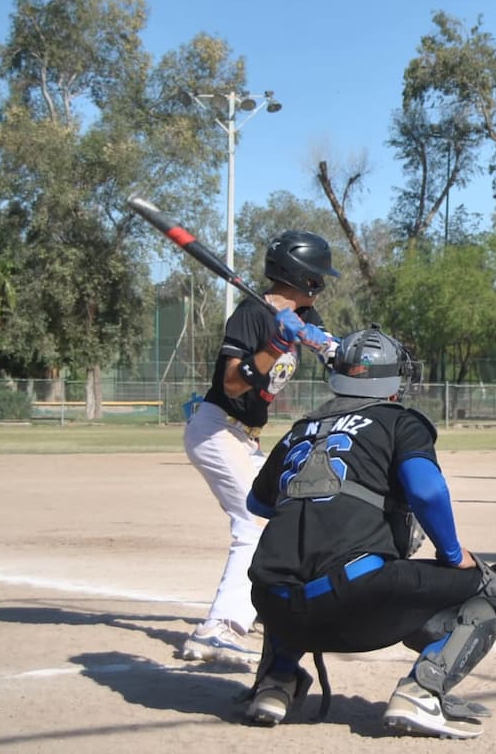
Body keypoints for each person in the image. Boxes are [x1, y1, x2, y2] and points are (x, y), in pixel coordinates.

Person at [242, 325, 496, 738]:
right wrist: (454, 555)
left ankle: (275, 683)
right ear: (393, 383)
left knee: (288, 572)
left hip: (274, 606)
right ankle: (422, 691)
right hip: (356, 601)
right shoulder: (399, 421)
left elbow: (258, 503)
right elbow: (426, 489)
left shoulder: (301, 428)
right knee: (489, 585)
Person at [180, 231, 340, 665]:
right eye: (318, 278)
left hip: (246, 437)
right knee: (253, 521)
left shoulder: (305, 314)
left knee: (286, 513)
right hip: (216, 430)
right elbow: (232, 382)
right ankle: (218, 629)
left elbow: (337, 358)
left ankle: (268, 605)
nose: (321, 286)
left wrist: (318, 340)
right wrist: (275, 345)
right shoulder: (250, 316)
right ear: (304, 277)